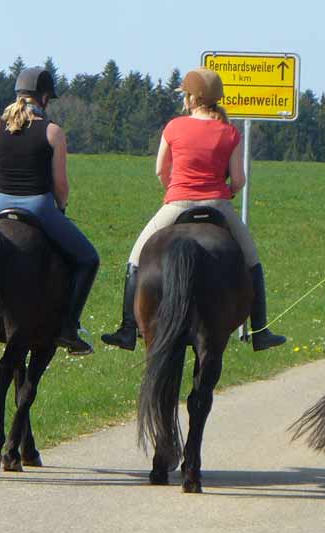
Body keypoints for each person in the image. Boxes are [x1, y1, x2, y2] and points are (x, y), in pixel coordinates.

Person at [102, 67, 286, 352]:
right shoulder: (230, 132)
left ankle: (127, 329)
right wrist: (230, 193)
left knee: (136, 258)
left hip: (178, 203)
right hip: (218, 204)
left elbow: (160, 169)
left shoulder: (174, 127)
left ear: (191, 98)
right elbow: (239, 179)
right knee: (252, 260)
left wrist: (173, 188)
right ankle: (260, 331)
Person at [0, 66, 99, 356]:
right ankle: (68, 327)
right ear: (43, 99)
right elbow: (61, 186)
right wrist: (61, 209)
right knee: (89, 258)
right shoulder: (53, 132)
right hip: (39, 205)